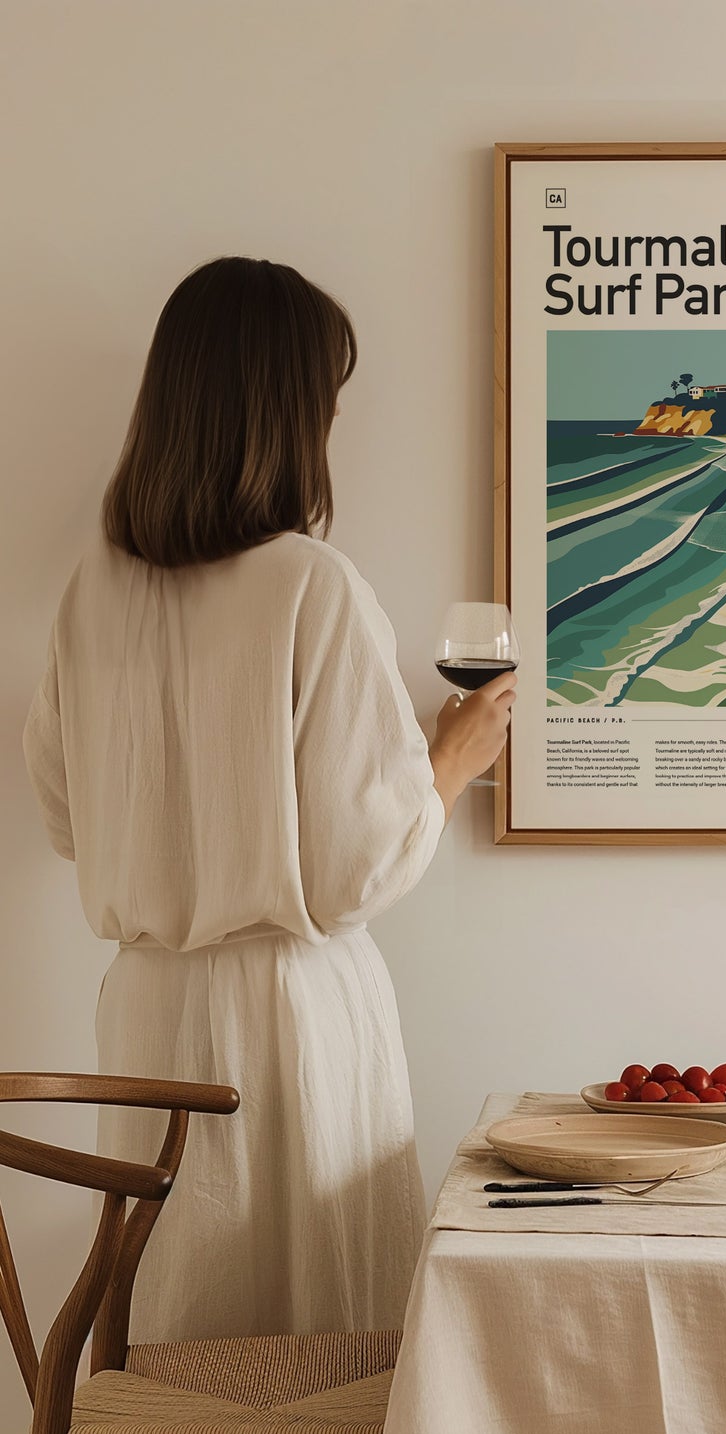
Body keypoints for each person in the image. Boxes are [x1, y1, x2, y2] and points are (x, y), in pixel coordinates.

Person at [21, 256, 512, 1341]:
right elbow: (350, 872)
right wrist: (450, 757)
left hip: (145, 1008)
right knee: (312, 1342)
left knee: (176, 1325)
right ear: (288, 413)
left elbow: (64, 817)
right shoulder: (309, 583)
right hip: (288, 1018)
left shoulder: (92, 590)